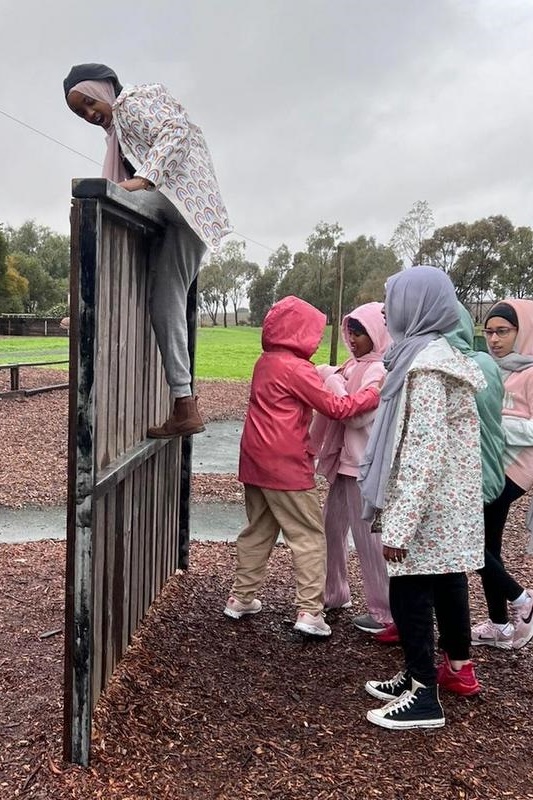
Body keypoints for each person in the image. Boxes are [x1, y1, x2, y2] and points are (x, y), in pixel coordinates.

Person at [63, 63, 231, 438]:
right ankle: (184, 404)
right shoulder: (117, 131)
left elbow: (176, 130)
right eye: (81, 113)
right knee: (165, 302)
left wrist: (141, 179)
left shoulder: (135, 100)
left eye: (90, 102)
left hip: (179, 198)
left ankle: (81, 299)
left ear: (105, 89)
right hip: (183, 213)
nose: (90, 114)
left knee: (101, 205)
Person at [359, 267, 485, 730]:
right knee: (448, 581)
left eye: (393, 301)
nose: (388, 311)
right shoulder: (433, 354)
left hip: (430, 508)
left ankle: (423, 695)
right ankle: (441, 672)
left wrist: (399, 525)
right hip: (447, 506)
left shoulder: (427, 366)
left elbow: (422, 452)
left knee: (409, 588)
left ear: (416, 306)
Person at [223, 295, 382, 637]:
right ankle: (310, 611)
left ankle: (240, 597)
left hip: (254, 461)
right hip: (286, 464)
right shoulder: (297, 369)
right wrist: (374, 393)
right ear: (301, 333)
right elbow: (337, 407)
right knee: (309, 535)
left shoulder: (265, 361)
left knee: (259, 528)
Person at [310, 302, 393, 632]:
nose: (354, 337)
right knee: (331, 529)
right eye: (351, 331)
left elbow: (357, 415)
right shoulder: (354, 365)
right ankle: (334, 591)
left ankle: (385, 610)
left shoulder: (380, 370)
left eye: (361, 331)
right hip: (345, 464)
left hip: (364, 466)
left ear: (378, 333)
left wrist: (331, 379)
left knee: (369, 540)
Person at [470, 300, 533, 650]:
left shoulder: (530, 372)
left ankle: (522, 600)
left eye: (503, 331)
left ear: (521, 331)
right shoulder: (497, 368)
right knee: (488, 542)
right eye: (489, 332)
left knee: (470, 541)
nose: (494, 339)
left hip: (515, 469)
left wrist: (496, 424)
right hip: (493, 463)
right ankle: (499, 624)